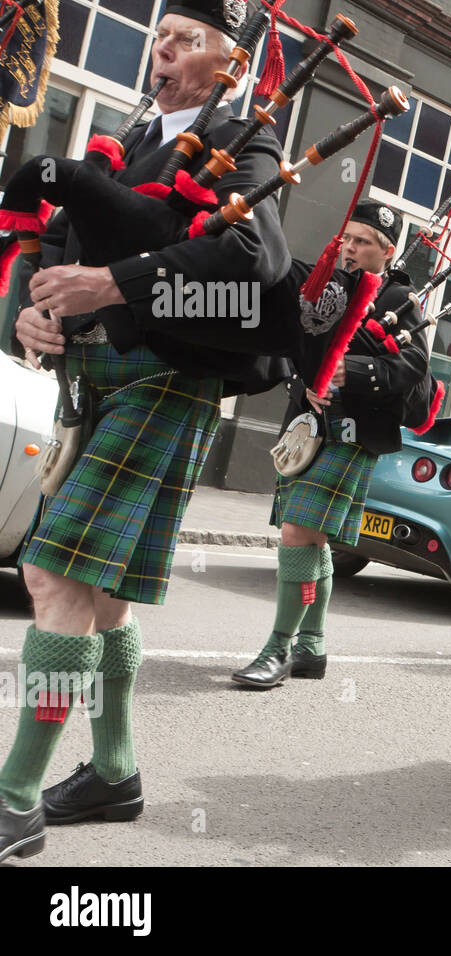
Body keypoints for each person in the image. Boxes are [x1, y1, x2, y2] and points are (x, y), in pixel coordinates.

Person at [0, 0, 290, 862]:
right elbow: (57, 247)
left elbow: (253, 265)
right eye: (159, 37)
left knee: (53, 572)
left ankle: (14, 799)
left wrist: (114, 285)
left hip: (166, 380)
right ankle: (114, 772)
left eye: (185, 40)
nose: (162, 51)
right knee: (105, 594)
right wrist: (35, 313)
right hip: (93, 381)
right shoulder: (127, 143)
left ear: (231, 64)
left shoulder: (244, 141)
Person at [231, 200, 426, 688]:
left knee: (298, 533)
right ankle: (311, 646)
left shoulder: (401, 299)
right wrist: (307, 380)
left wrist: (349, 371)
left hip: (351, 434)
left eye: (363, 242)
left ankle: (278, 647)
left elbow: (413, 366)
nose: (351, 248)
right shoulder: (327, 283)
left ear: (387, 250)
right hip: (306, 427)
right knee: (313, 541)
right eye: (348, 239)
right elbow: (294, 343)